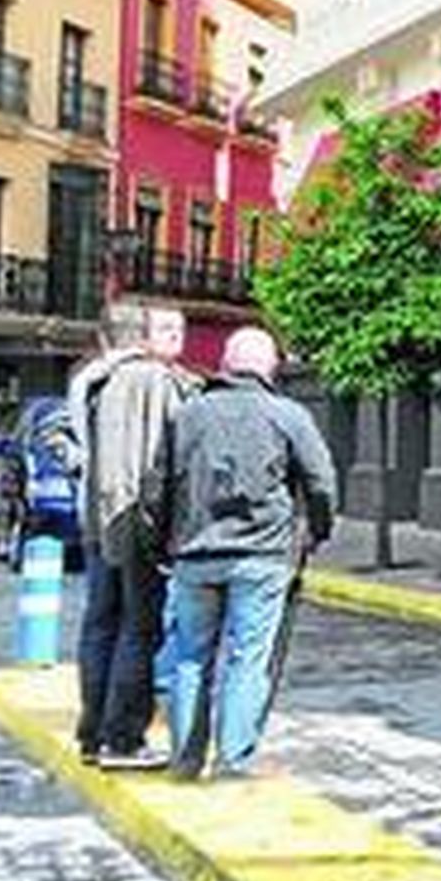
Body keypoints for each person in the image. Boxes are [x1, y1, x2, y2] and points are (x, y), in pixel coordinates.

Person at [158, 328, 337, 780]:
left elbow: (155, 486)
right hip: (261, 555)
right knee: (248, 658)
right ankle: (232, 760)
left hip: (195, 553)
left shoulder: (188, 415)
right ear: (269, 368)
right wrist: (318, 530)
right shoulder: (287, 415)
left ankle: (184, 759)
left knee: (189, 657)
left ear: (225, 364)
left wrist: (164, 541)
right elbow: (321, 482)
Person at [73, 304, 188, 770]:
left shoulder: (91, 381)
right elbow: (168, 458)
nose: (175, 337)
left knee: (100, 623)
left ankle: (93, 730)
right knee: (139, 628)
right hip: (133, 520)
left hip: (97, 520)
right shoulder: (151, 381)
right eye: (165, 329)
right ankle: (122, 737)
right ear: (141, 336)